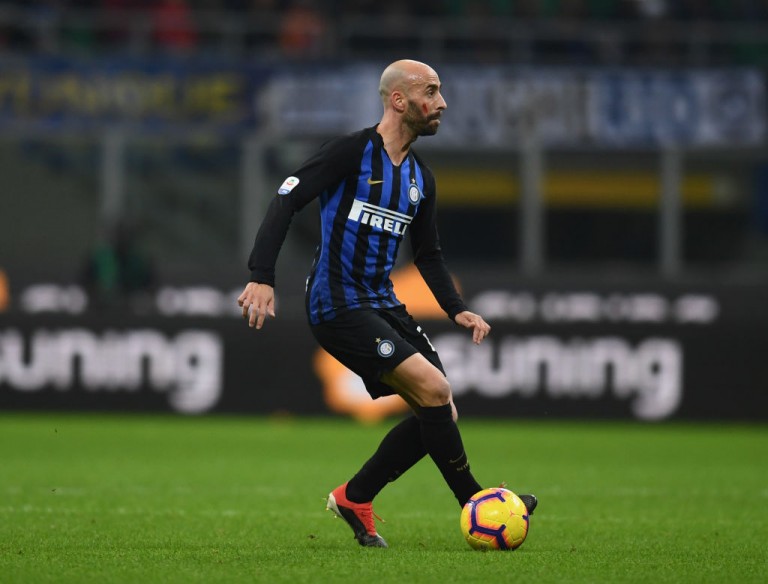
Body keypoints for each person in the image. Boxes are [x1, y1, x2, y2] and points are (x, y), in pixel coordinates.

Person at [238, 59, 536, 548]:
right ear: (399, 100)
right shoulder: (351, 152)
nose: (442, 103)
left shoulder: (421, 178)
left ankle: (355, 497)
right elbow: (287, 197)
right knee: (435, 389)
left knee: (439, 409)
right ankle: (478, 503)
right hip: (336, 303)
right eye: (431, 92)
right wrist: (261, 276)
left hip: (382, 302)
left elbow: (428, 254)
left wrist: (455, 307)